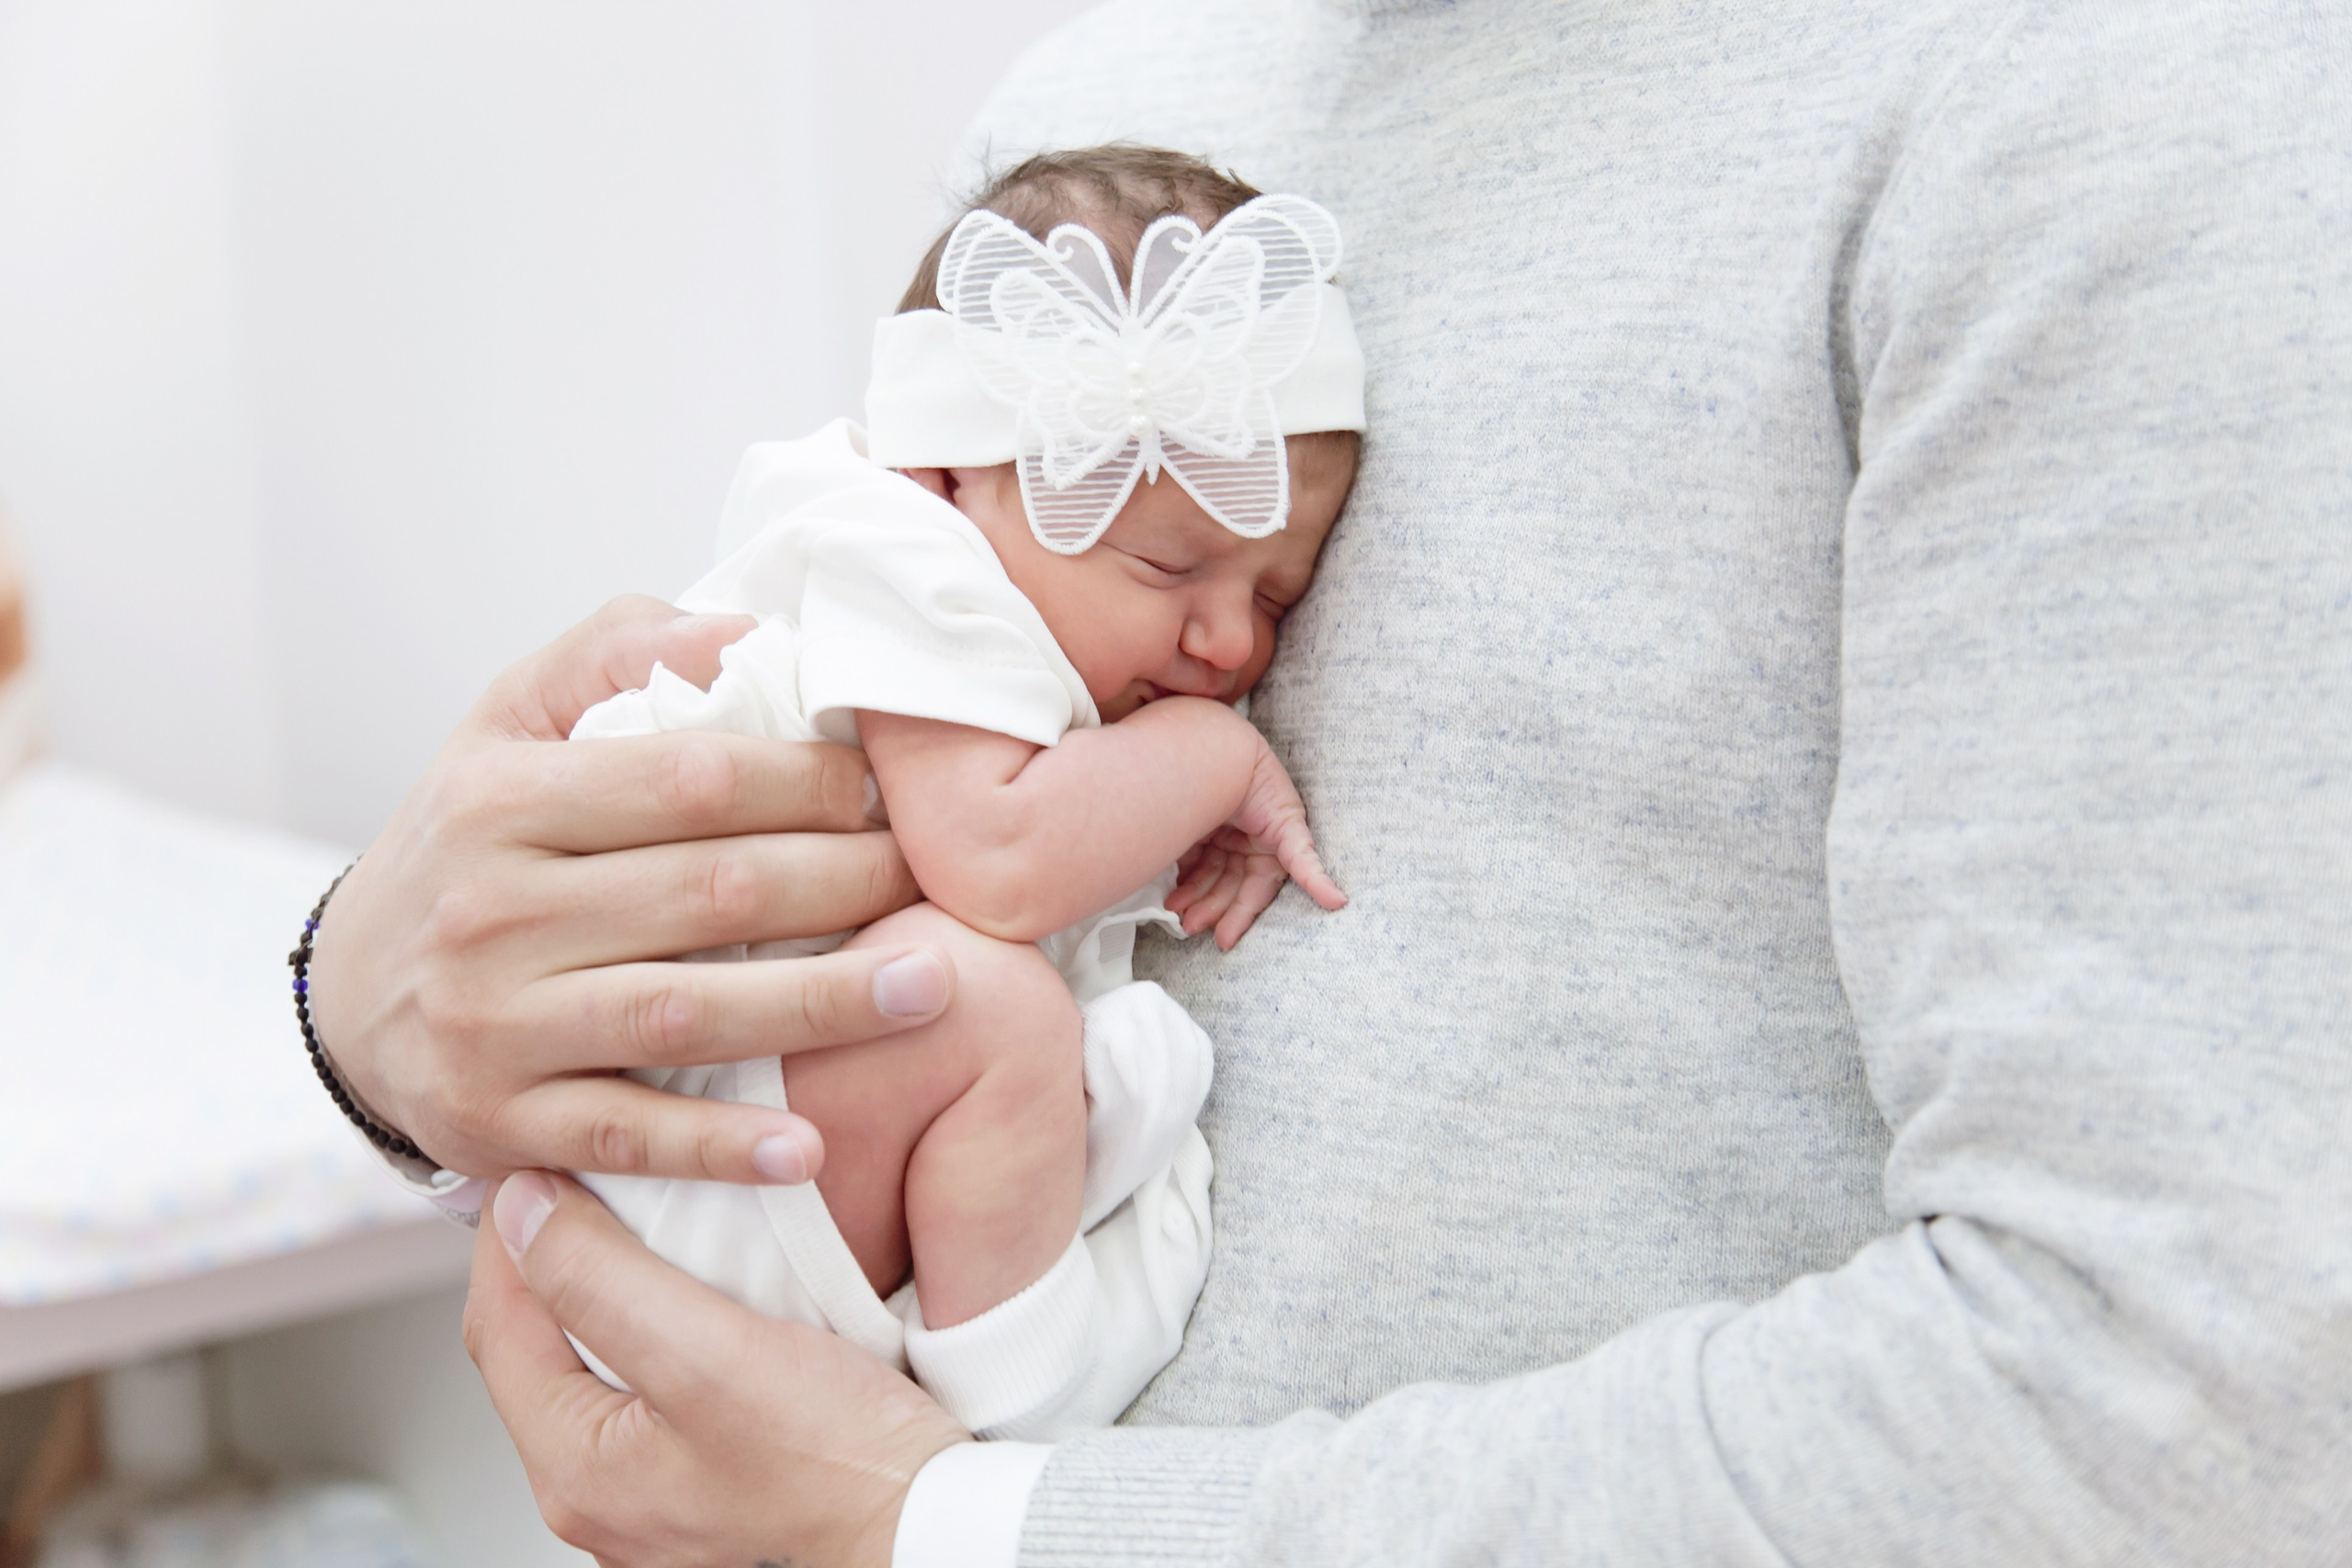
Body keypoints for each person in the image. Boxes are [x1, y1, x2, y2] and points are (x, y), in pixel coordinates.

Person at [306, 0, 2351, 1563]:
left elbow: (2187, 1402)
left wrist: (961, 1526)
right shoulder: (1109, 128)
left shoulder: (2106, 102)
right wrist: (369, 1011)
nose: (1224, 646)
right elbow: (868, 765)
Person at [545, 152, 1363, 1438]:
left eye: (1274, 595)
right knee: (976, 1000)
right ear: (944, 480)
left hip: (754, 1164)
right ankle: (1009, 1420)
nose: (1227, 643)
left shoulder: (1024, 608)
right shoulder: (904, 564)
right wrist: (1216, 757)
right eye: (1168, 568)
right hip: (692, 1169)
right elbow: (997, 858)